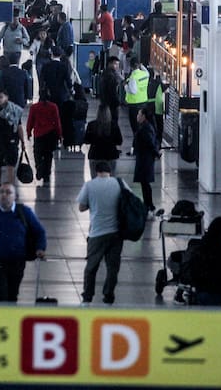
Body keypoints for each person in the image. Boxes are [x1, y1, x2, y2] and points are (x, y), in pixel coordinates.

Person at [77, 161, 127, 305]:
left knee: (92, 267)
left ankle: (87, 297)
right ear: (109, 171)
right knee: (112, 268)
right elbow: (129, 200)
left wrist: (93, 203)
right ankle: (108, 296)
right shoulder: (119, 183)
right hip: (116, 233)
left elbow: (81, 207)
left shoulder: (90, 185)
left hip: (97, 233)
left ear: (96, 171)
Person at [26, 89, 61, 184]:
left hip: (38, 134)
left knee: (37, 153)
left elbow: (30, 121)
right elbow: (57, 122)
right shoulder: (53, 107)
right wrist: (59, 135)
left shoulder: (34, 107)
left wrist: (28, 132)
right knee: (48, 155)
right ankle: (47, 175)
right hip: (50, 135)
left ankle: (39, 168)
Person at [133, 106, 160, 216]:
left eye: (139, 114)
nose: (137, 116)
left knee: (145, 183)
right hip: (144, 158)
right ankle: (148, 204)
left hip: (145, 159)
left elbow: (150, 143)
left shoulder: (146, 128)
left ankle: (149, 204)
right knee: (145, 183)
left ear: (143, 116)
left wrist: (156, 153)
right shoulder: (145, 127)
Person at [84, 104, 123, 178]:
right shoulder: (114, 125)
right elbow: (119, 141)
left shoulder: (91, 125)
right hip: (111, 156)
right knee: (111, 180)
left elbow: (86, 140)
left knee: (95, 181)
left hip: (95, 155)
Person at [124, 56, 149, 152]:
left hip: (134, 106)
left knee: (135, 128)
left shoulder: (133, 77)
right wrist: (141, 65)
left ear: (130, 67)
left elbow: (133, 91)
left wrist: (126, 86)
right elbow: (146, 71)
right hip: (144, 103)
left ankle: (136, 148)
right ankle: (140, 147)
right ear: (138, 65)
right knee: (142, 127)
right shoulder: (145, 74)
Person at [99, 56, 122, 124]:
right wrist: (117, 102)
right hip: (111, 104)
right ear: (110, 64)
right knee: (113, 122)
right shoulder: (111, 76)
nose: (117, 66)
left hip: (105, 102)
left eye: (117, 64)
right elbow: (113, 91)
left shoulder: (105, 73)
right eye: (115, 64)